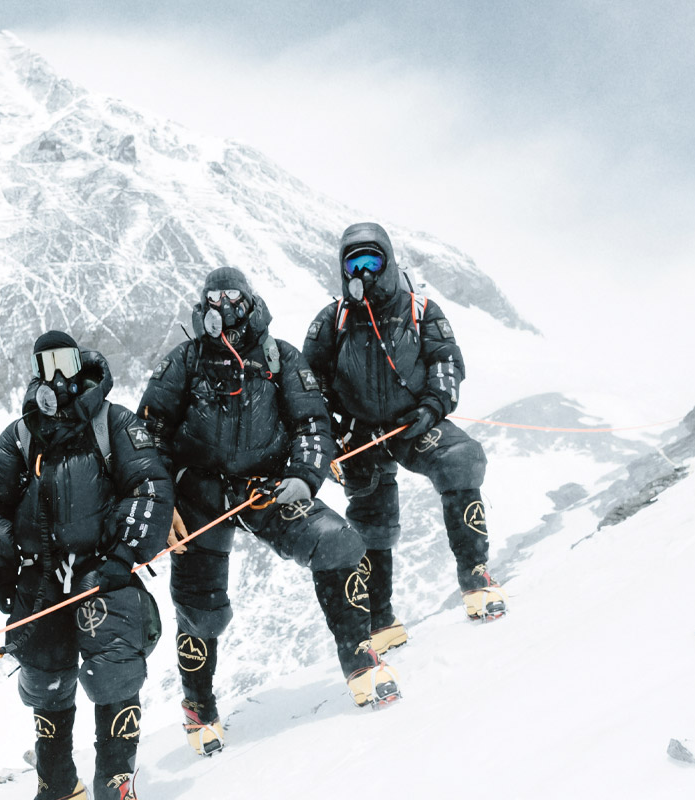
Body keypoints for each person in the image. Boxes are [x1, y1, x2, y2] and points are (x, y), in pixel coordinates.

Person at [137, 267, 401, 758]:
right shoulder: (185, 360)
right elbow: (147, 435)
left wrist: (304, 475)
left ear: (248, 301)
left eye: (231, 296)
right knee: (199, 608)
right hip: (197, 494)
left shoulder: (280, 356)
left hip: (266, 489)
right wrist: (160, 500)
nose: (222, 306)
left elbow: (312, 423)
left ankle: (360, 658)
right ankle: (199, 707)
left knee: (338, 542)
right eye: (213, 298)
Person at [0, 331, 172, 800]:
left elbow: (150, 487)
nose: (57, 375)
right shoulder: (22, 435)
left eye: (65, 361)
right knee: (45, 678)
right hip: (40, 578)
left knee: (113, 669)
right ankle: (58, 784)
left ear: (82, 363)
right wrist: (2, 573)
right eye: (45, 365)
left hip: (104, 572)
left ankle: (115, 782)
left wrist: (123, 556)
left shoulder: (113, 422)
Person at [302, 221, 508, 657]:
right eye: (353, 264)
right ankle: (381, 621)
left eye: (371, 261)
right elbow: (308, 384)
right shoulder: (331, 321)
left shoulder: (421, 310)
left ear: (389, 260)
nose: (363, 273)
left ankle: (476, 578)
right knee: (372, 519)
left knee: (461, 459)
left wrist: (431, 408)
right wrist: (331, 434)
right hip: (359, 434)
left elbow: (447, 363)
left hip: (413, 425)